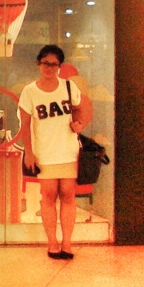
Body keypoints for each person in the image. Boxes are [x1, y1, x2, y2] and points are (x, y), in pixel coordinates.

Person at [19, 45, 86, 260]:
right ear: (38, 64)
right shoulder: (30, 91)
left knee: (68, 195)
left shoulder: (68, 86)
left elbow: (78, 109)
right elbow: (25, 125)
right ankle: (52, 243)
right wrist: (29, 152)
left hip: (68, 151)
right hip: (44, 153)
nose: (49, 68)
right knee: (48, 196)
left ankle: (67, 243)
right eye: (45, 63)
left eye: (54, 64)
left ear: (59, 66)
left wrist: (78, 124)